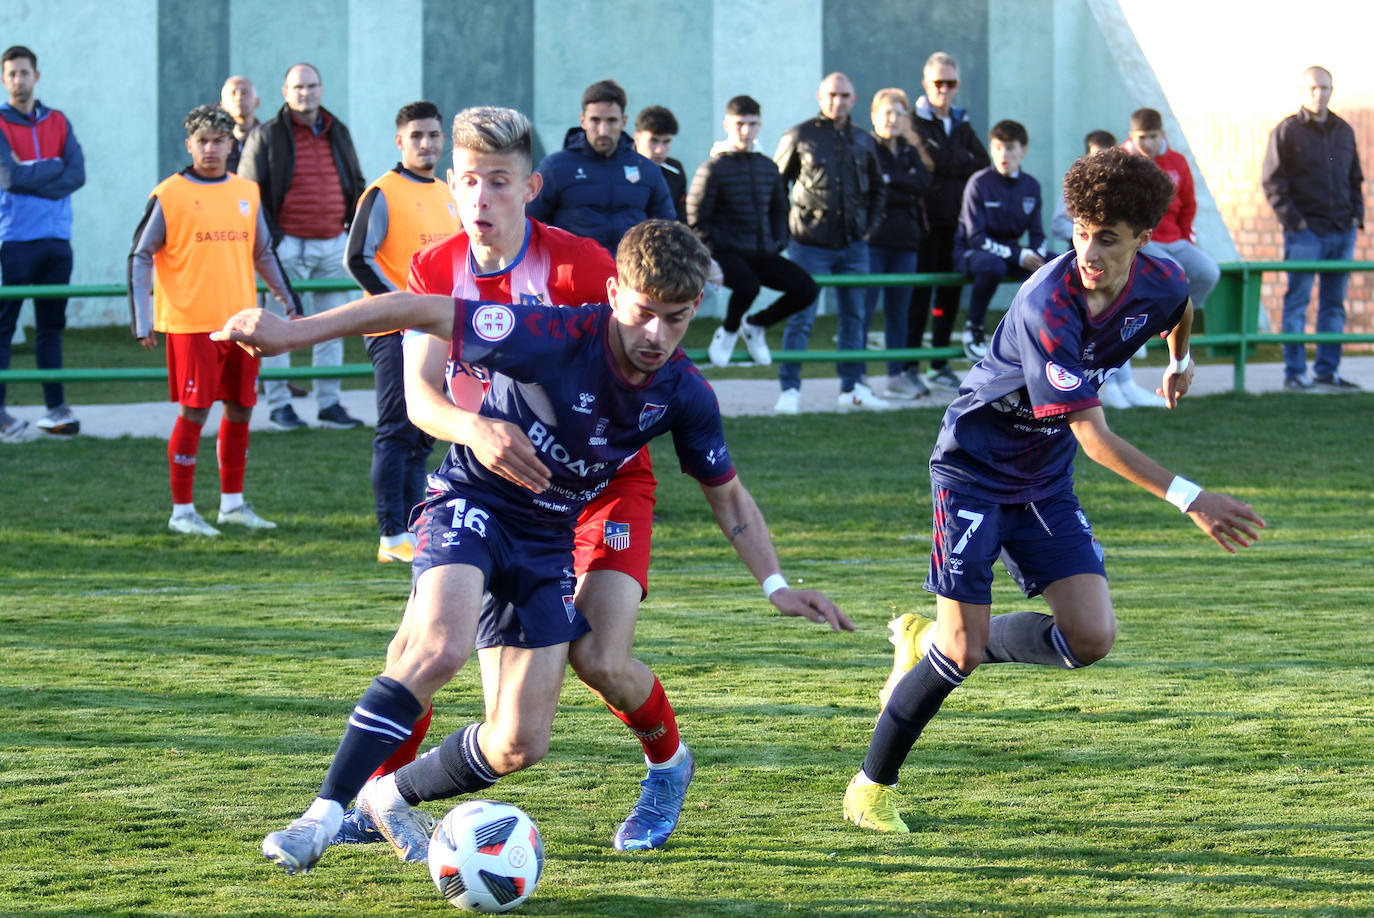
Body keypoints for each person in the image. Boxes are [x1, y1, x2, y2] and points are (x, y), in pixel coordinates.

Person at [216, 218, 852, 875]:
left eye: (676, 319)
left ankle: (387, 797)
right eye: (642, 314)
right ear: (612, 293)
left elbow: (729, 496)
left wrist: (777, 585)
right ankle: (319, 818)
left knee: (520, 740)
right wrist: (293, 332)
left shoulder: (684, 392)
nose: (656, 336)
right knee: (437, 647)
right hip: (473, 502)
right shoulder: (552, 336)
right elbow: (416, 308)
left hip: (550, 536)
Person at [844, 148, 1265, 833]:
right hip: (972, 473)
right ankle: (870, 786)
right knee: (961, 654)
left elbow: (1181, 303)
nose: (1088, 250)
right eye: (1080, 231)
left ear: (1142, 238)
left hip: (1040, 477)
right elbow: (1094, 437)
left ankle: (933, 640)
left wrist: (1180, 359)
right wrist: (1192, 497)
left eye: (1107, 237)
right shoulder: (1049, 302)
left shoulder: (1159, 278)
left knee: (1091, 638)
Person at [128, 104, 298, 536]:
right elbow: (140, 254)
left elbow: (263, 252)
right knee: (194, 412)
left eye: (219, 141)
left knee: (241, 408)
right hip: (191, 325)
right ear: (189, 145)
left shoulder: (247, 191)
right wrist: (142, 320)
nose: (210, 148)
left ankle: (232, 506)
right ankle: (182, 512)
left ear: (231, 144)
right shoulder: (169, 193)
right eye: (202, 141)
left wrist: (287, 299)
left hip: (242, 324)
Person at [344, 101, 458, 565]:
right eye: (417, 136)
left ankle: (414, 526)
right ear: (400, 141)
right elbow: (358, 258)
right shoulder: (382, 192)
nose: (426, 144)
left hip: (440, 330)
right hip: (394, 330)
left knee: (423, 432)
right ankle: (391, 535)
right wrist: (405, 308)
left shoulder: (448, 193)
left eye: (433, 135)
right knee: (396, 430)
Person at [239, 62, 367, 430]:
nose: (305, 93)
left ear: (321, 89)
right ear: (285, 93)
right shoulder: (267, 135)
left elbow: (355, 180)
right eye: (297, 87)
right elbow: (250, 192)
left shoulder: (337, 130)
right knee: (277, 328)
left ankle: (330, 405)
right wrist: (268, 242)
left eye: (311, 86)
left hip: (332, 244)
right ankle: (280, 405)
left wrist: (352, 231)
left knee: (332, 326)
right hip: (285, 247)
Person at [774, 72, 887, 414]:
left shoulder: (863, 139)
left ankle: (851, 388)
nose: (838, 101)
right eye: (832, 95)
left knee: (855, 316)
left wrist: (869, 229)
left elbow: (879, 191)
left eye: (845, 95)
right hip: (809, 243)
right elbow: (777, 186)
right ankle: (790, 390)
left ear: (855, 99)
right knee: (801, 316)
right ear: (820, 97)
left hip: (854, 244)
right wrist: (784, 232)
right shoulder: (800, 135)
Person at [690, 95, 818, 371]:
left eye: (752, 124)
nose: (746, 131)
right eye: (740, 124)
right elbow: (696, 219)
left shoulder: (767, 167)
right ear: (726, 124)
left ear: (760, 125)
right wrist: (716, 248)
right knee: (748, 286)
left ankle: (755, 325)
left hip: (761, 252)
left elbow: (780, 209)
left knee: (807, 289)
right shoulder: (712, 168)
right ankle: (728, 331)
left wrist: (778, 242)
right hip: (725, 253)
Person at [0, 45, 85, 442]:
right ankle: (0, 415)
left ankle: (56, 410)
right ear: (5, 80)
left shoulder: (60, 121)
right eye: (12, 74)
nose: (19, 80)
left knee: (51, 329)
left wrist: (35, 170)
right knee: (3, 328)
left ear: (37, 76)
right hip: (14, 241)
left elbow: (78, 174)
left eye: (24, 72)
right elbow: (8, 179)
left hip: (57, 241)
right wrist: (53, 169)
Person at [1261, 66, 1365, 392]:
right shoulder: (1287, 131)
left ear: (1332, 90)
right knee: (1297, 304)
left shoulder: (1344, 130)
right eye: (1314, 88)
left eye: (1326, 88)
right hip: (1305, 233)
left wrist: (1355, 219)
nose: (1320, 94)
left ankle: (1326, 372)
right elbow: (1272, 183)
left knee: (1334, 305)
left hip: (1341, 230)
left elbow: (1355, 179)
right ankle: (1294, 373)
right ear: (1303, 91)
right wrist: (1297, 223)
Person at [1051, 130, 1154, 410]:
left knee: (1121, 325)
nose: (1103, 166)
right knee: (1103, 330)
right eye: (1098, 158)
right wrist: (1089, 235)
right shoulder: (1078, 192)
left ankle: (1127, 386)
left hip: (1117, 272)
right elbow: (1059, 224)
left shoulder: (1124, 195)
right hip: (1087, 271)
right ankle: (1110, 390)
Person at [909, 51, 990, 392]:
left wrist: (950, 161)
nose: (944, 89)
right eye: (938, 82)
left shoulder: (962, 122)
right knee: (918, 295)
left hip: (956, 226)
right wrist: (958, 159)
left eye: (950, 83)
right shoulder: (913, 122)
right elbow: (932, 160)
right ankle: (909, 365)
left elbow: (982, 162)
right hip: (924, 226)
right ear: (926, 83)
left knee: (949, 296)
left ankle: (939, 364)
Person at [528, 79, 676, 254]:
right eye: (595, 120)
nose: (603, 130)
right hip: (573, 277)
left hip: (630, 277)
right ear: (583, 121)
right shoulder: (555, 168)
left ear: (624, 121)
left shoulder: (647, 170)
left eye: (611, 121)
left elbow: (668, 232)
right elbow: (524, 223)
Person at [953, 119, 1046, 361]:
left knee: (1055, 264)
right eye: (997, 147)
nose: (1003, 154)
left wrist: (1035, 255)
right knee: (994, 265)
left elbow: (1038, 233)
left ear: (1023, 151)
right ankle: (973, 328)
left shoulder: (1031, 186)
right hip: (972, 252)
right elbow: (976, 238)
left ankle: (1046, 331)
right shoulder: (979, 183)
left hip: (1012, 253)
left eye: (1010, 147)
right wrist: (1019, 255)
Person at [863, 88, 933, 401]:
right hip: (873, 240)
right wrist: (895, 183)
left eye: (899, 113)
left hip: (906, 241)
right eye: (887, 113)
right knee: (862, 310)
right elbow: (869, 187)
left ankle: (896, 376)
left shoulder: (908, 150)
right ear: (874, 116)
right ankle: (857, 377)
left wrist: (891, 180)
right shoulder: (865, 148)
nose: (893, 120)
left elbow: (923, 184)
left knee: (899, 313)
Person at [633, 105, 688, 223]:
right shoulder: (620, 166)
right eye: (653, 141)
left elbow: (681, 219)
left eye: (666, 142)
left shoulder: (675, 170)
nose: (659, 150)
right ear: (637, 137)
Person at [220, 76, 261, 175]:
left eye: (244, 93)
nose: (239, 98)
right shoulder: (218, 141)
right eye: (233, 93)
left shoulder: (267, 138)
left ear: (256, 102)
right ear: (222, 106)